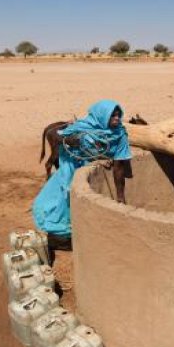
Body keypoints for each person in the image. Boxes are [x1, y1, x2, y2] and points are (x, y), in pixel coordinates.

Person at [32, 100, 132, 259]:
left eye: (118, 115)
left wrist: (121, 197)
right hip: (73, 165)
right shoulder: (83, 127)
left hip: (91, 167)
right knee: (65, 198)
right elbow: (62, 137)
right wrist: (72, 140)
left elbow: (119, 166)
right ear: (102, 115)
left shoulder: (120, 134)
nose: (117, 118)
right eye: (113, 115)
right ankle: (61, 235)